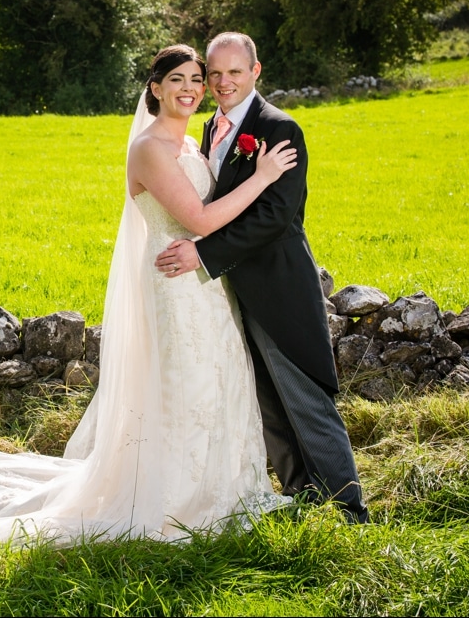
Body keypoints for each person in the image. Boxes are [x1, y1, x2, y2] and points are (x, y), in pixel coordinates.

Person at [0, 44, 298, 548]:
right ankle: (177, 499)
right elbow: (197, 220)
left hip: (208, 286)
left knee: (217, 381)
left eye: (198, 78)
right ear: (155, 88)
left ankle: (227, 488)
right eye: (178, 79)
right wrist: (262, 177)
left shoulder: (192, 145)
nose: (192, 88)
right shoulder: (149, 149)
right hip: (175, 286)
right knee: (186, 385)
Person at [155, 32, 369, 523]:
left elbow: (275, 217)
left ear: (256, 72)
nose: (224, 82)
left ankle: (350, 510)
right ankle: (303, 498)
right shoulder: (210, 128)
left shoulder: (279, 128)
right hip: (230, 291)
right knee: (267, 402)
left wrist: (204, 254)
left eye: (235, 71)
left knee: (305, 397)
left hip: (278, 286)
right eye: (216, 74)